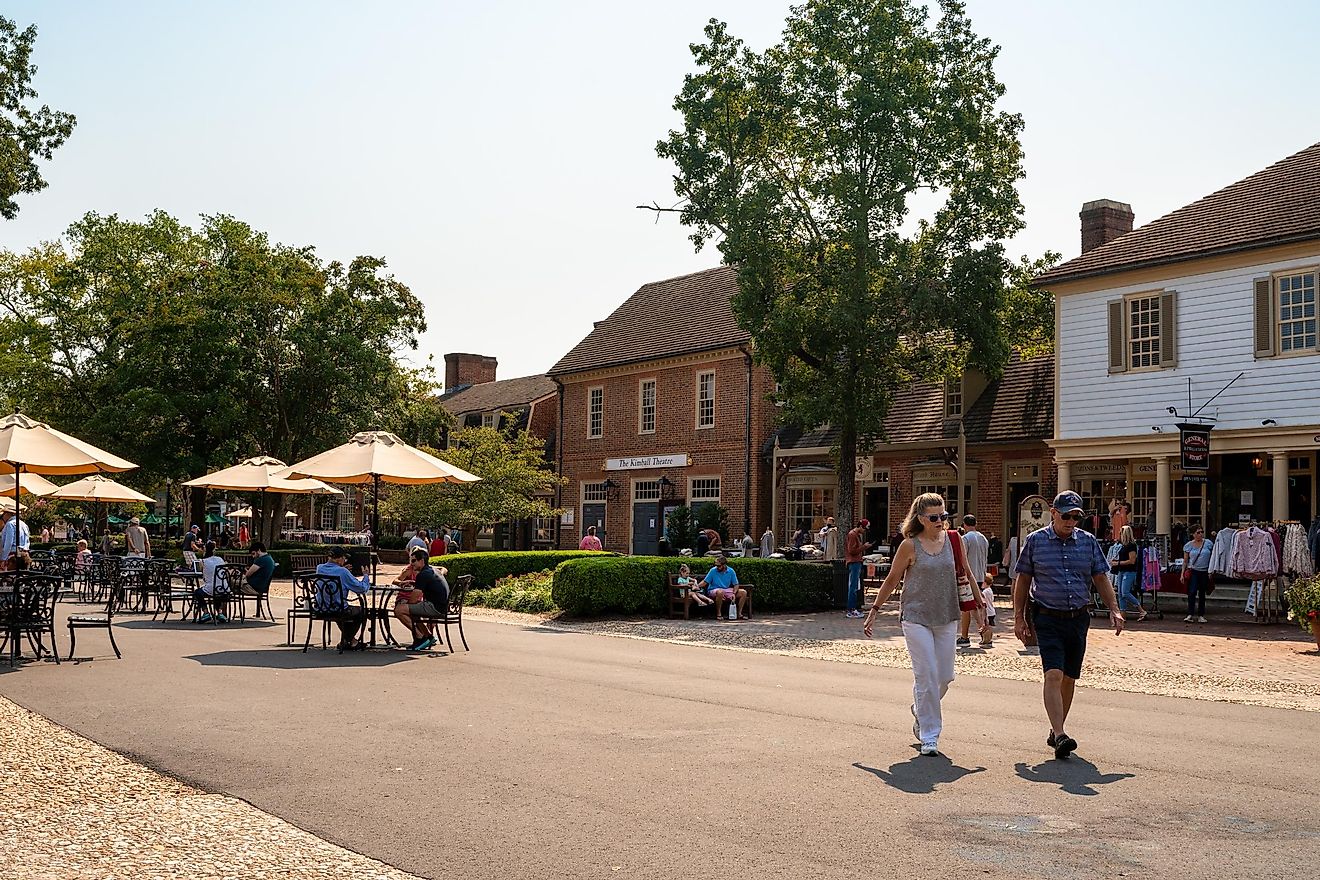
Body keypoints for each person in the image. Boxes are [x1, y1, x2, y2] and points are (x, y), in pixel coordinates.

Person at [863, 493, 979, 757]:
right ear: (920, 519)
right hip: (916, 617)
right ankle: (930, 735)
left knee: (945, 676)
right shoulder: (910, 546)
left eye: (944, 516)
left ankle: (920, 707)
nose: (940, 521)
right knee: (926, 675)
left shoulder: (954, 540)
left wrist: (982, 611)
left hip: (947, 614)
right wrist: (875, 611)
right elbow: (892, 579)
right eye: (934, 517)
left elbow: (967, 574)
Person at [1013, 491, 1124, 761]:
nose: (1071, 521)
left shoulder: (1087, 542)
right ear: (1053, 513)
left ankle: (1055, 728)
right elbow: (1023, 579)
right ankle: (1061, 734)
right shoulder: (1035, 541)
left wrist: (1114, 609)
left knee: (1069, 677)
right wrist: (1018, 618)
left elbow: (1100, 576)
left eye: (1076, 517)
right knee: (1053, 674)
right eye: (1066, 516)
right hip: (1047, 617)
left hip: (1078, 618)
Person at [394, 547, 449, 651]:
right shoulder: (433, 570)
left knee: (399, 610)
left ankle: (420, 637)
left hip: (434, 607)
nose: (412, 563)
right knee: (411, 610)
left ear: (422, 561)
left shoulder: (423, 574)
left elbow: (413, 600)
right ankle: (428, 636)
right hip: (442, 607)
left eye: (414, 560)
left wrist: (407, 606)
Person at [315, 546, 370, 650]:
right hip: (338, 608)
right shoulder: (343, 572)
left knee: (345, 613)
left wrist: (342, 569)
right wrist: (366, 576)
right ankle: (349, 640)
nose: (345, 560)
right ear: (339, 558)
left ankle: (348, 641)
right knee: (361, 611)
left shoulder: (319, 568)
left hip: (322, 607)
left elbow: (333, 573)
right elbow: (361, 588)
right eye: (344, 558)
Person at [957, 514, 990, 647]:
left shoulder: (965, 538)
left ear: (964, 525)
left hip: (969, 576)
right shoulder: (983, 538)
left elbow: (962, 559)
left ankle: (966, 635)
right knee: (975, 605)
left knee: (967, 606)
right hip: (980, 575)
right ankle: (982, 629)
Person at [1109, 525, 1145, 620]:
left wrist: (1117, 563)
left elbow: (1132, 561)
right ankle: (1123, 614)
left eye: (1121, 533)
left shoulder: (1131, 545)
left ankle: (1141, 610)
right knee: (1121, 594)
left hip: (1129, 571)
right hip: (1122, 571)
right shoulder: (1123, 545)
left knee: (1125, 592)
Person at [697, 554, 747, 620]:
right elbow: (705, 582)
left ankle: (739, 614)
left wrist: (734, 594)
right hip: (714, 589)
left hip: (726, 590)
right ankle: (718, 614)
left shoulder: (731, 571)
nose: (717, 567)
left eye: (719, 566)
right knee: (720, 592)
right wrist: (696, 586)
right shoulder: (713, 570)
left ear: (724, 565)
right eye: (716, 565)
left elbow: (736, 584)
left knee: (743, 592)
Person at [1182, 525, 1213, 623]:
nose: (1200, 534)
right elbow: (1186, 560)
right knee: (1192, 592)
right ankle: (1190, 613)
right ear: (1193, 534)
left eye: (1201, 532)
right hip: (1194, 570)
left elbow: (1213, 557)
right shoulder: (1189, 545)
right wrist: (1182, 573)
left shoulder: (1208, 543)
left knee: (1202, 593)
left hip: (1204, 571)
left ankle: (1201, 615)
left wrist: (1211, 571)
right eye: (1198, 532)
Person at [844, 518, 873, 619]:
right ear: (860, 526)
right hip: (854, 562)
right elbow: (851, 550)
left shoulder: (855, 535)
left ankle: (852, 608)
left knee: (855, 586)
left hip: (856, 561)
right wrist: (864, 547)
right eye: (864, 528)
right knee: (853, 586)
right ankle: (851, 609)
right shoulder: (853, 535)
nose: (864, 531)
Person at [196, 541, 228, 624]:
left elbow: (200, 571)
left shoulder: (203, 561)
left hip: (211, 588)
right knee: (217, 591)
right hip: (224, 588)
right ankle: (220, 613)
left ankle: (206, 612)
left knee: (198, 592)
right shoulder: (220, 559)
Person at [980, 582, 996, 646]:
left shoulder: (985, 592)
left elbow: (981, 597)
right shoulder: (990, 590)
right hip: (992, 611)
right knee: (989, 626)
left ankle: (987, 639)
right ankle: (989, 639)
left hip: (988, 611)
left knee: (986, 626)